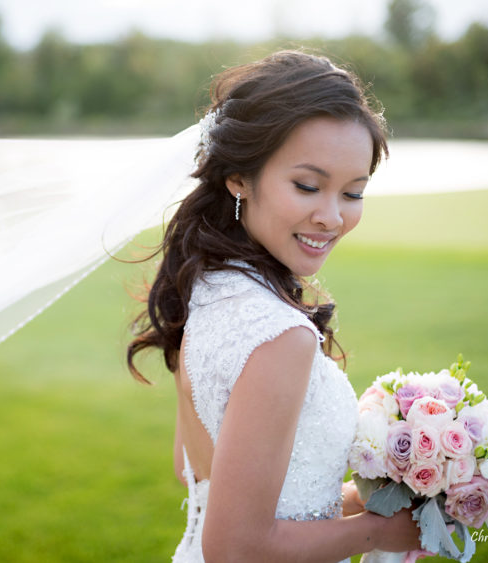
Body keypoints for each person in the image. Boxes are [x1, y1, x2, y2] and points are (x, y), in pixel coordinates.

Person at [127, 51, 423, 562]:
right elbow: (237, 548)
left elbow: (194, 470)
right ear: (239, 177)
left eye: (353, 193)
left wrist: (402, 498)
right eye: (307, 185)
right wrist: (379, 533)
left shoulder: (207, 284)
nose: (331, 217)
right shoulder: (279, 335)